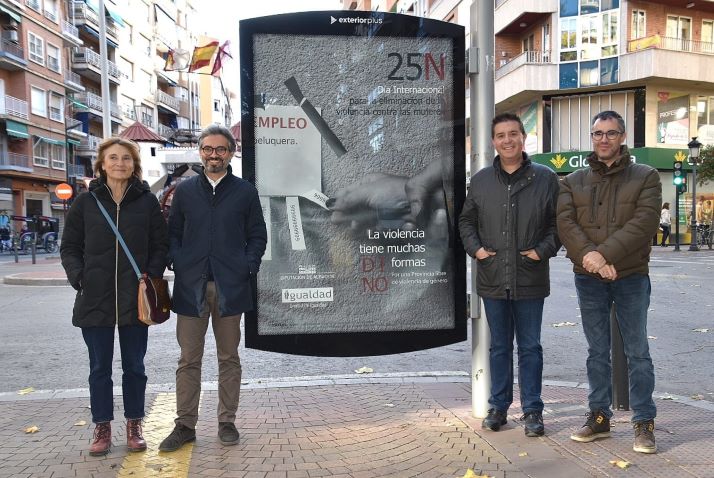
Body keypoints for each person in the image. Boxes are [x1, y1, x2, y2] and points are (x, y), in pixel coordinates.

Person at [557, 110, 661, 454]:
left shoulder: (646, 176)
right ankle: (599, 417)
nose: (604, 139)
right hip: (589, 279)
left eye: (611, 133)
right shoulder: (572, 181)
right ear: (592, 138)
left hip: (631, 276)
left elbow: (643, 223)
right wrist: (594, 260)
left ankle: (644, 421)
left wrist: (604, 256)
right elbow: (567, 226)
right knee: (596, 352)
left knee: (638, 353)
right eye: (598, 133)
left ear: (623, 137)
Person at [159, 125, 267, 451]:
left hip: (229, 287)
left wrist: (247, 266)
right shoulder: (186, 191)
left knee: (228, 358)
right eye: (208, 149)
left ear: (230, 153)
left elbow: (257, 235)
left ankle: (226, 422)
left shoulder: (245, 191)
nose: (213, 154)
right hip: (190, 287)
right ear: (200, 152)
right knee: (188, 359)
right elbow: (173, 232)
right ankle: (184, 426)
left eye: (220, 149)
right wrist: (177, 259)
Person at [60, 137, 168, 456]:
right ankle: (102, 427)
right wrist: (80, 277)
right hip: (95, 299)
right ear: (102, 164)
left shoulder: (147, 202)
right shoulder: (85, 202)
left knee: (135, 366)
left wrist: (151, 273)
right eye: (113, 158)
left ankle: (134, 425)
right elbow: (69, 247)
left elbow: (160, 244)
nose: (120, 163)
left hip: (136, 299)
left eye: (126, 158)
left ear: (134, 165)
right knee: (99, 369)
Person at [458, 113, 561, 437]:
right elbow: (466, 222)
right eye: (501, 135)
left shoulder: (545, 178)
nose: (507, 140)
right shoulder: (482, 179)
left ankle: (532, 411)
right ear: (493, 142)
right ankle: (498, 407)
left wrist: (541, 250)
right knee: (499, 347)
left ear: (523, 137)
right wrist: (477, 250)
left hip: (529, 276)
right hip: (492, 277)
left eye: (513, 134)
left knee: (530, 347)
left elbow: (559, 224)